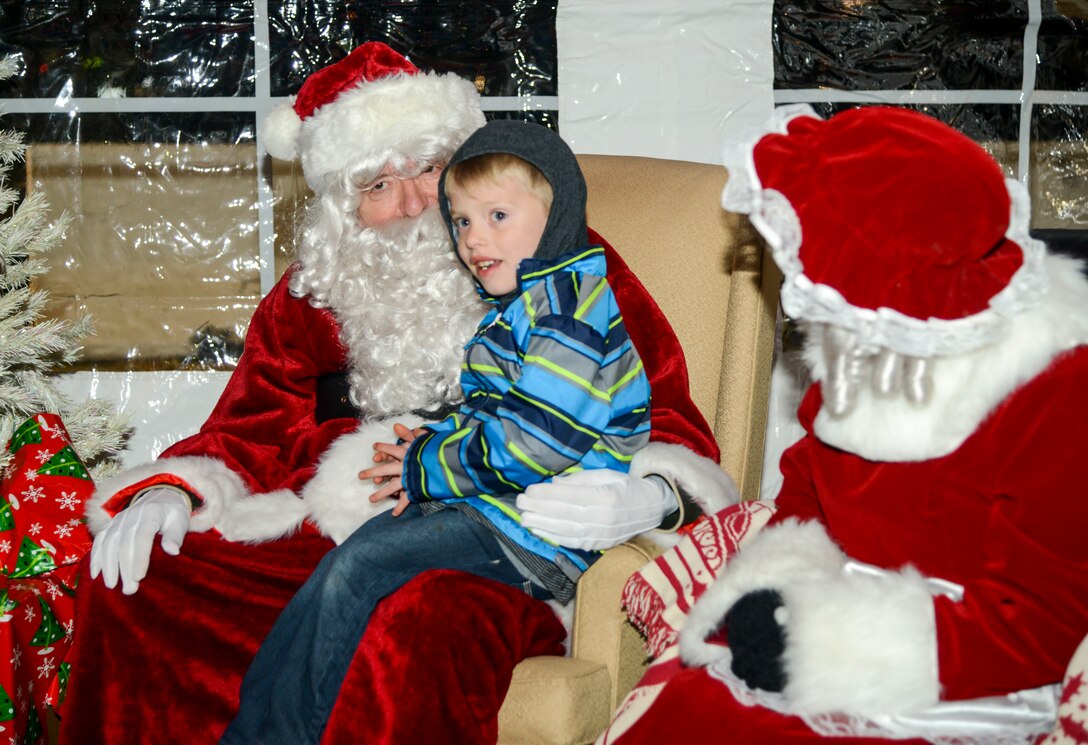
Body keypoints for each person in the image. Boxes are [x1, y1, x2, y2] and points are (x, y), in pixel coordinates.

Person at [61, 42, 738, 744]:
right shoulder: (314, 293)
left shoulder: (554, 262)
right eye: (378, 185)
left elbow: (665, 414)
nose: (416, 204)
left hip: (500, 546)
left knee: (415, 616)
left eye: (426, 167)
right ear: (342, 207)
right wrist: (171, 490)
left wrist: (652, 496)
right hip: (324, 531)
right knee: (140, 581)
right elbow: (248, 426)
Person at [595, 104, 1088, 744]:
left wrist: (816, 643)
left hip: (956, 673)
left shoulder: (1053, 384)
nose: (800, 281)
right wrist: (777, 589)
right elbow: (809, 489)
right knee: (679, 710)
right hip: (833, 610)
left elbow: (1037, 623)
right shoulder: (869, 344)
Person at [219, 118, 656, 743]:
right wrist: (426, 463)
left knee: (358, 566)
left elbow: (538, 443)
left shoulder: (567, 311)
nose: (475, 239)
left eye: (497, 216)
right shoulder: (526, 306)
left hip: (543, 530)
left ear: (557, 213)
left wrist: (425, 467)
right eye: (464, 222)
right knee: (346, 562)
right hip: (495, 508)